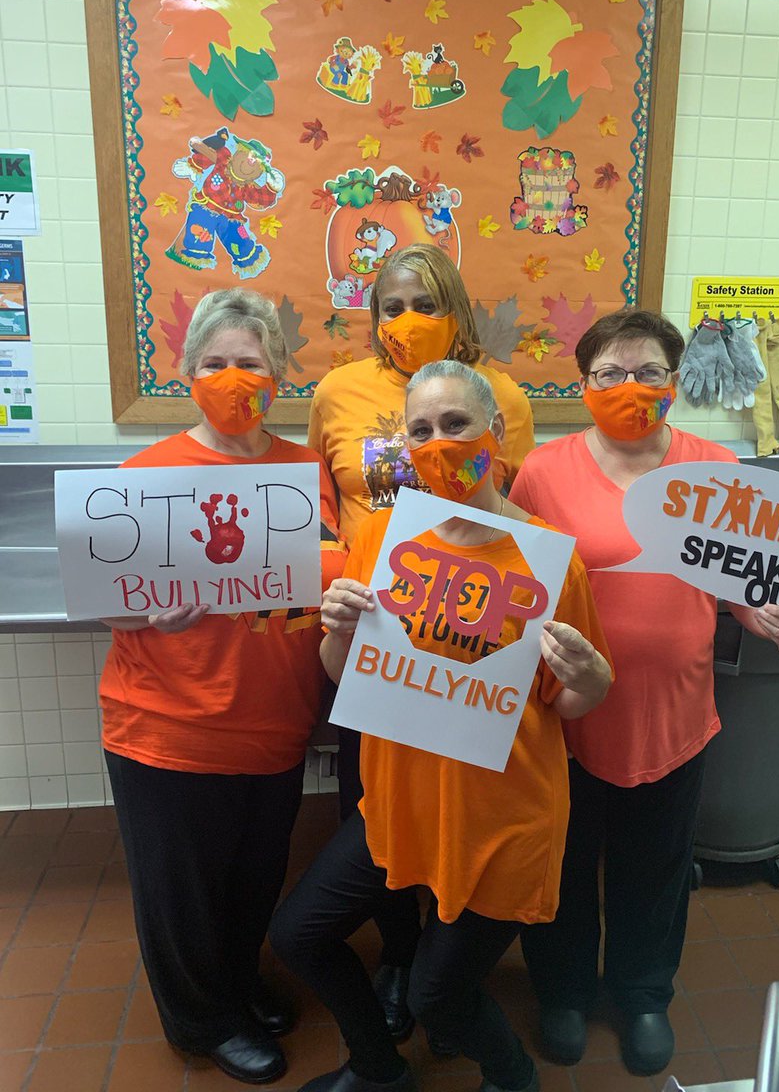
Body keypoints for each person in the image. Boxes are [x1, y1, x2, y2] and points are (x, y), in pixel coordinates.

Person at [270, 360, 613, 1092]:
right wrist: (335, 631)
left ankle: (513, 1075)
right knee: (299, 933)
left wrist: (591, 678)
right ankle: (376, 1066)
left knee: (437, 997)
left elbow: (570, 700)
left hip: (500, 819)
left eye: (456, 424)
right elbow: (345, 674)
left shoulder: (552, 561)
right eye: (420, 430)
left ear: (494, 433)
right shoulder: (385, 540)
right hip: (399, 807)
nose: (439, 442)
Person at [509, 309, 779, 1075]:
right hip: (569, 717)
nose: (630, 387)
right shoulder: (543, 473)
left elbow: (746, 585)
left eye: (649, 371)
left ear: (675, 383)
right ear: (583, 385)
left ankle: (644, 994)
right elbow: (512, 585)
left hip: (674, 716)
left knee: (658, 866)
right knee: (565, 863)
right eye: (610, 373)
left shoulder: (715, 470)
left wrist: (774, 617)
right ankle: (565, 990)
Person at [99, 289, 346, 1085]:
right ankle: (201, 1020)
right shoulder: (147, 473)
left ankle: (238, 983)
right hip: (170, 727)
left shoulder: (304, 469)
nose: (232, 377)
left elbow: (326, 567)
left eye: (249, 362)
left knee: (251, 877)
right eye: (214, 364)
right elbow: (105, 594)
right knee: (183, 893)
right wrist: (149, 617)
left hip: (274, 724)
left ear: (278, 372)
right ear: (186, 372)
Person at [308, 243, 535, 1041]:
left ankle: (449, 963)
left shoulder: (500, 391)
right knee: (376, 804)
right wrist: (341, 592)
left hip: (465, 630)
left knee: (456, 794)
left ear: (458, 309)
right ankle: (400, 956)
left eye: (425, 303)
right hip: (373, 627)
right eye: (390, 306)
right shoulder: (338, 390)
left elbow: (504, 504)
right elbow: (327, 506)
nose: (407, 321)